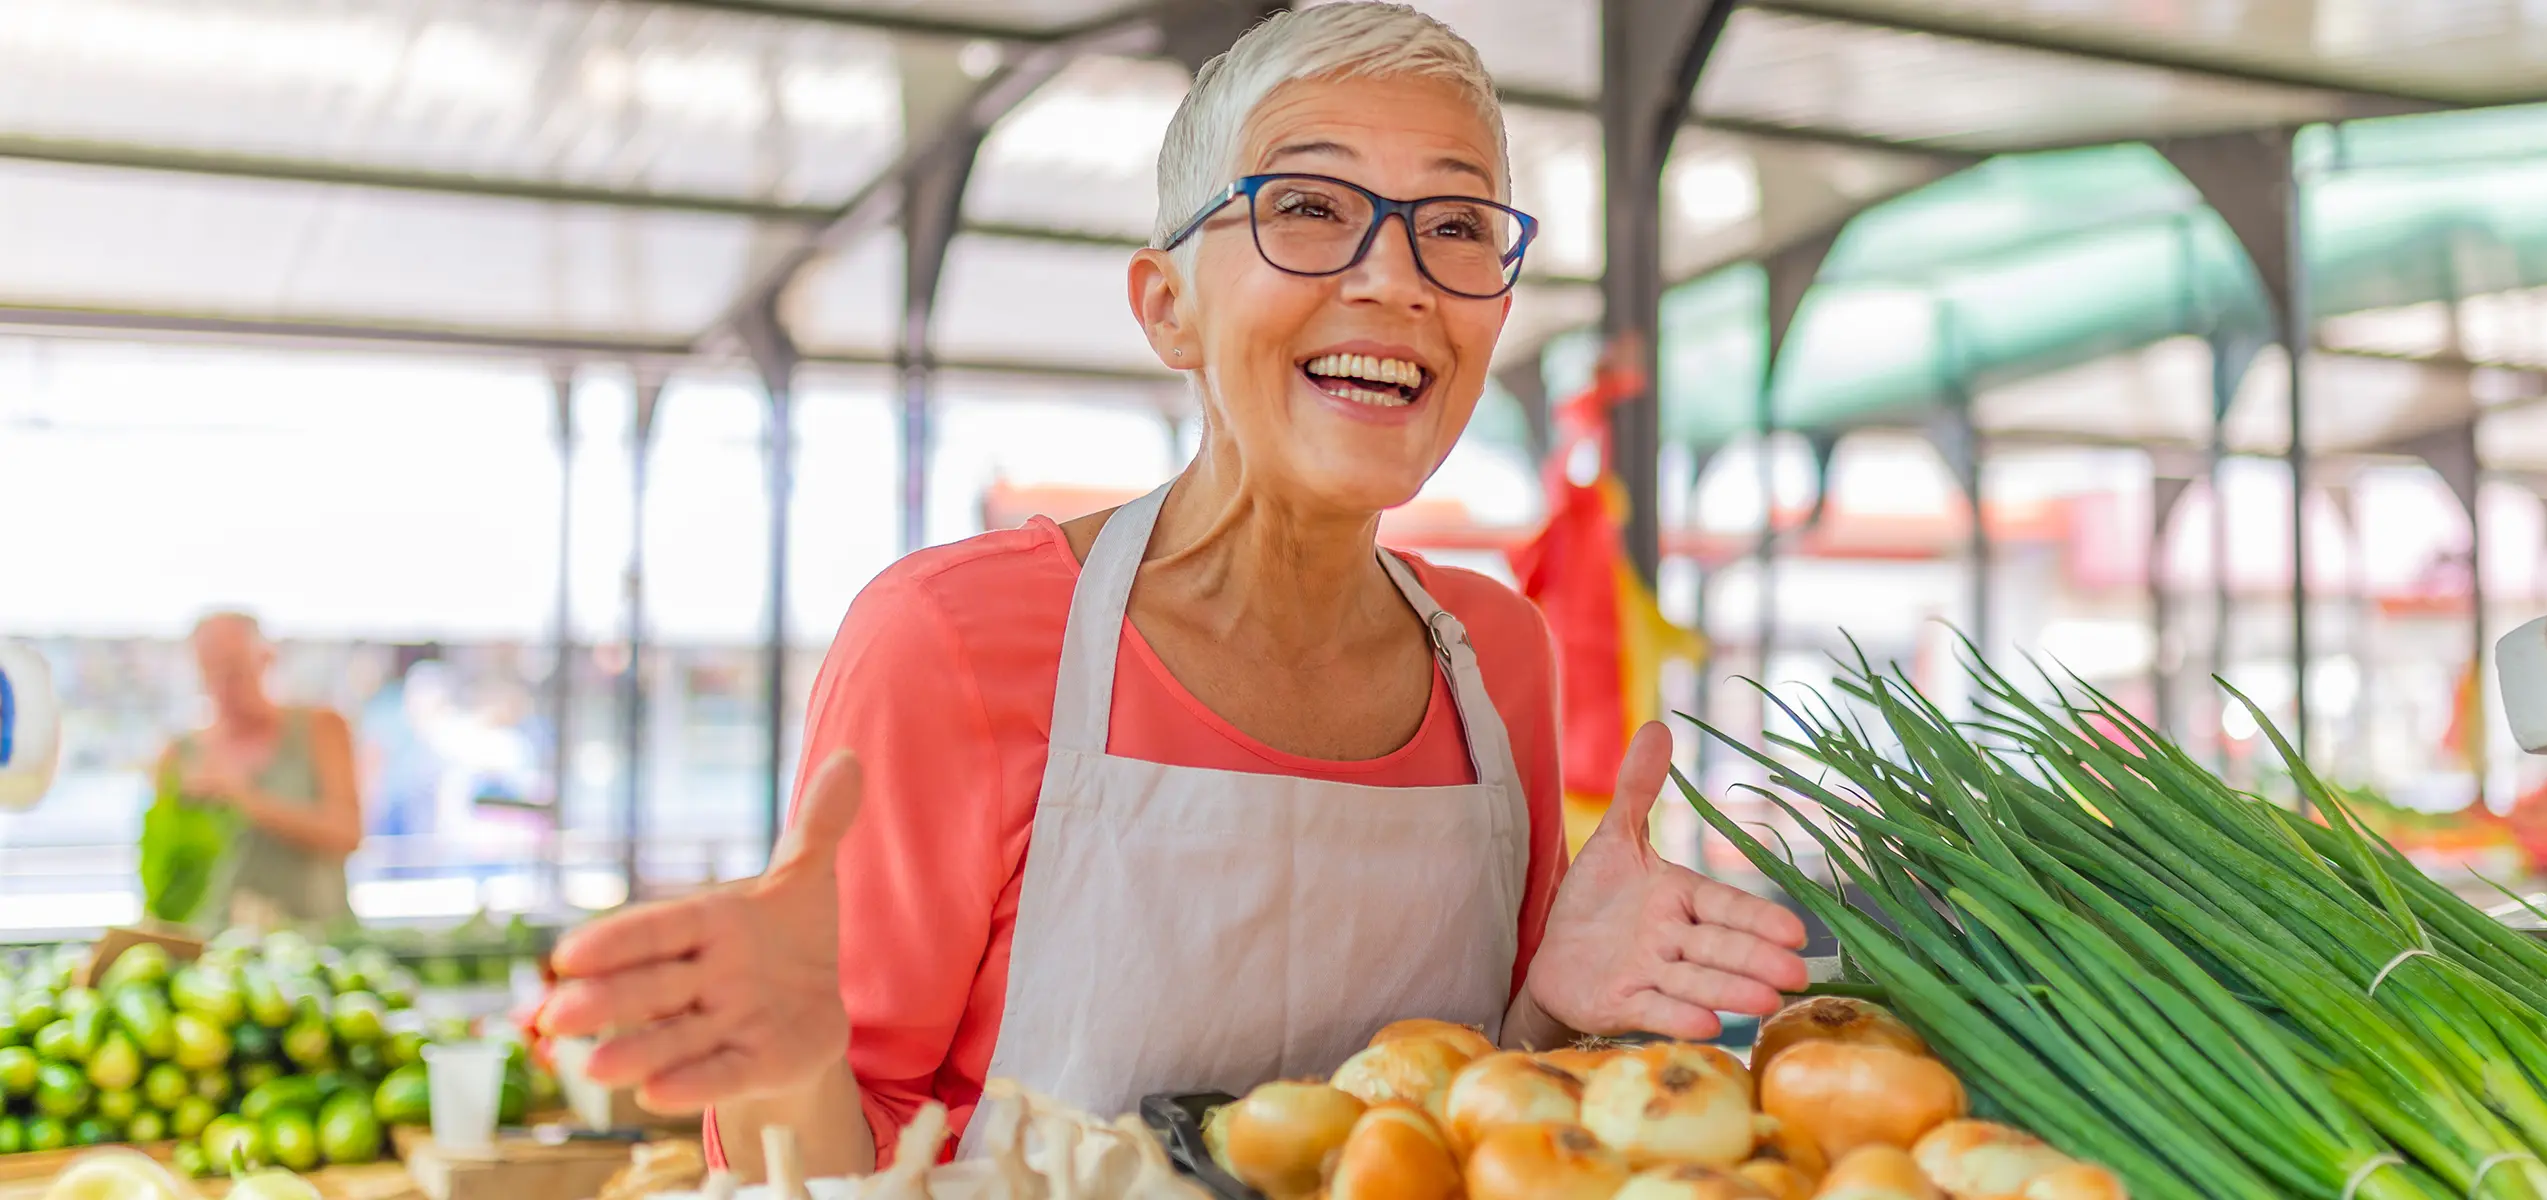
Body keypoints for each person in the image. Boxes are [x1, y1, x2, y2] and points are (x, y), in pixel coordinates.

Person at [536, 4, 1809, 1177]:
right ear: (1168, 307)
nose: (1396, 277)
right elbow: (828, 1171)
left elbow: (1465, 1125)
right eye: (1307, 206)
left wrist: (1557, 1009)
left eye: (1458, 225)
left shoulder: (1497, 658)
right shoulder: (951, 644)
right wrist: (800, 1059)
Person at [158, 612, 362, 931]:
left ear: (266, 658)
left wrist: (243, 798)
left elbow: (348, 833)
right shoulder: (179, 753)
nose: (223, 687)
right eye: (210, 672)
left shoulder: (321, 727)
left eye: (235, 670)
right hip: (217, 948)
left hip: (318, 939)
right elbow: (165, 871)